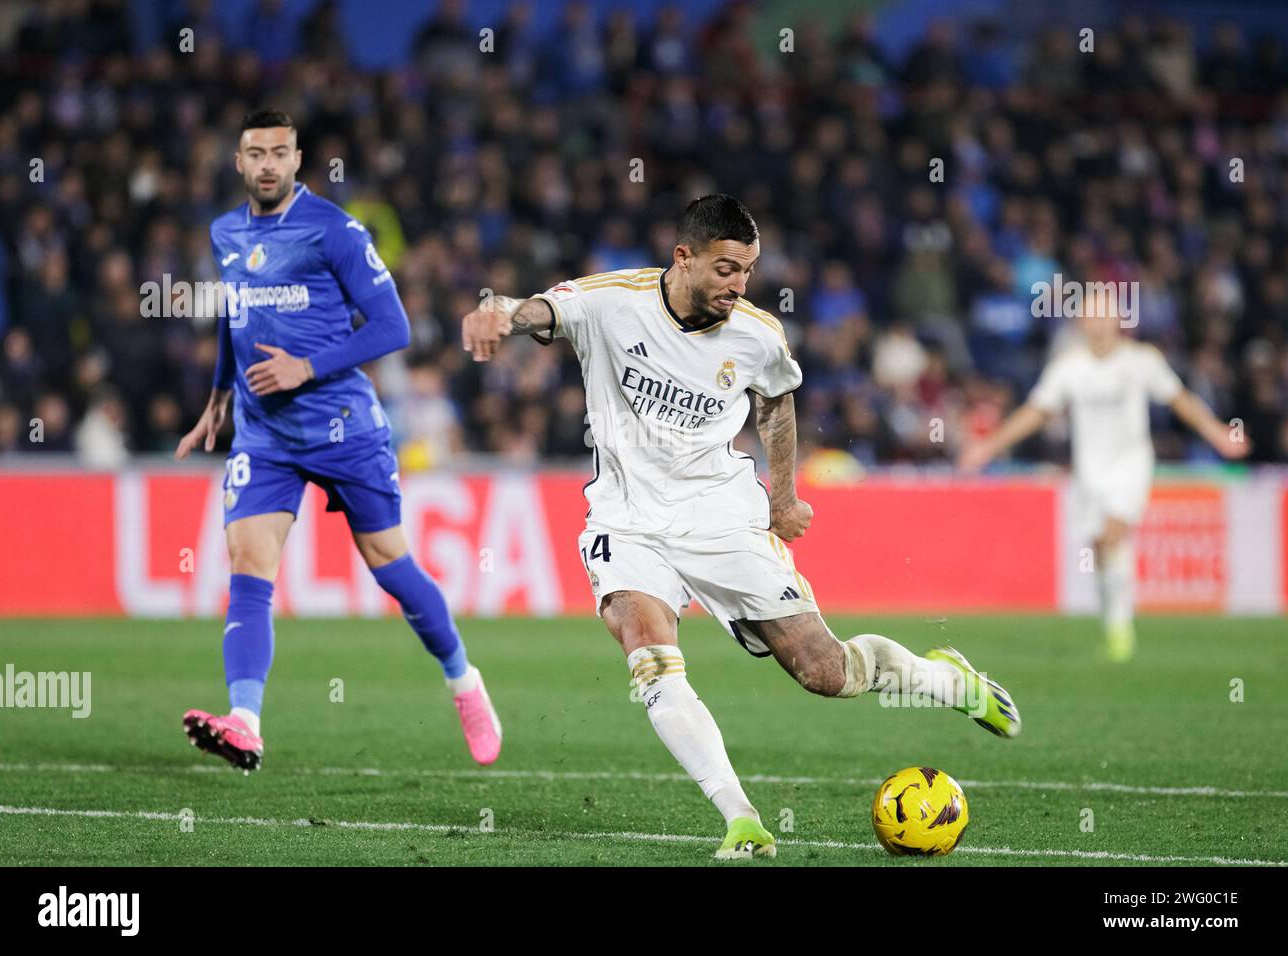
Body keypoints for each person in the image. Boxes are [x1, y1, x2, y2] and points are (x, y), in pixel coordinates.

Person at [461, 194, 1019, 859]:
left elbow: (778, 405)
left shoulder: (757, 334)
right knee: (649, 656)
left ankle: (944, 680)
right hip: (627, 520)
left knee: (825, 672)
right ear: (684, 257)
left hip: (723, 518)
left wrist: (782, 499)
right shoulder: (616, 301)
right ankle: (743, 820)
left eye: (748, 270)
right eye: (726, 269)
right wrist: (499, 313)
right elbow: (544, 309)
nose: (739, 285)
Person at [176, 109, 501, 773]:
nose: (267, 163)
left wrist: (307, 367)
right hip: (264, 432)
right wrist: (217, 396)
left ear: (296, 162)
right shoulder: (225, 231)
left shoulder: (334, 229)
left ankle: (463, 680)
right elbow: (235, 317)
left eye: (279, 153)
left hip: (344, 426)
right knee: (247, 564)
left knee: (392, 566)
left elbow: (394, 326)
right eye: (254, 153)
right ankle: (244, 721)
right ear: (238, 163)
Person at [959, 296, 1249, 661]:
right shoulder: (1069, 367)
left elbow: (1180, 399)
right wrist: (989, 446)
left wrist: (1218, 433)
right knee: (1100, 546)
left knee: (1113, 533)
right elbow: (1037, 411)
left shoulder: (1142, 361)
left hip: (1131, 465)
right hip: (1090, 471)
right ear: (1080, 323)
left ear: (1116, 320)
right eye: (1089, 316)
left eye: (1102, 315)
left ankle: (1120, 631)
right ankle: (1113, 625)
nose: (1096, 323)